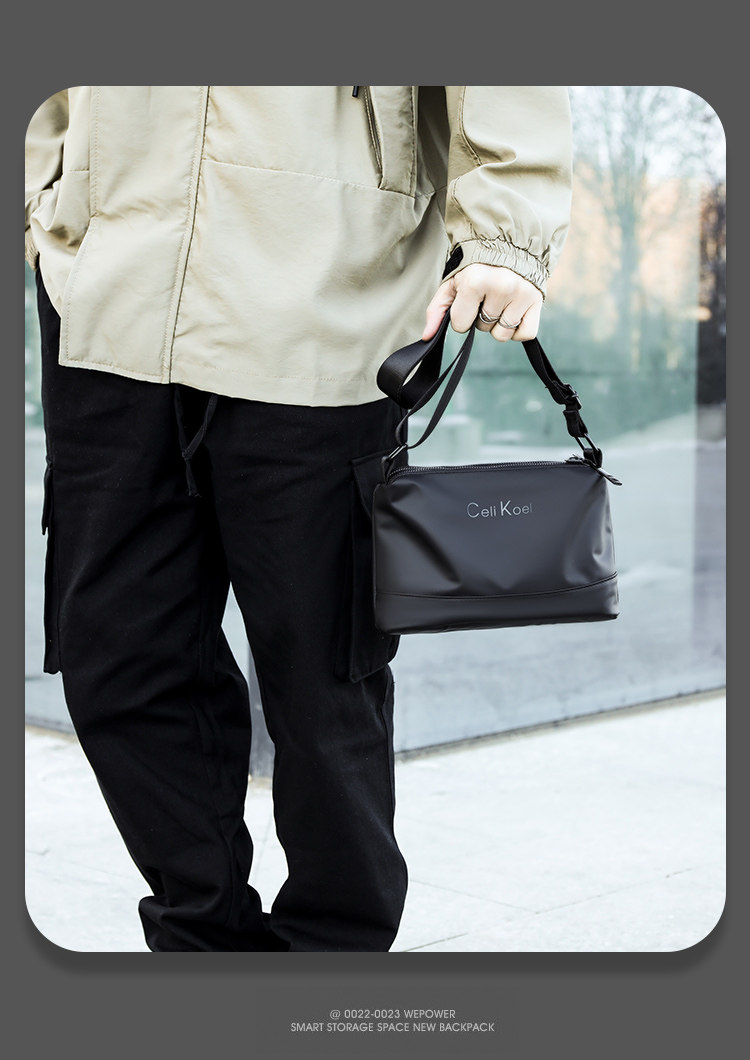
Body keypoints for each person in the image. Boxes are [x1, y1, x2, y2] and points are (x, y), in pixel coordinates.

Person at [25, 86, 573, 952]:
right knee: (117, 658)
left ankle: (330, 962)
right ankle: (202, 948)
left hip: (326, 292)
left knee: (324, 682)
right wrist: (41, 194)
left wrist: (508, 232)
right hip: (108, 289)